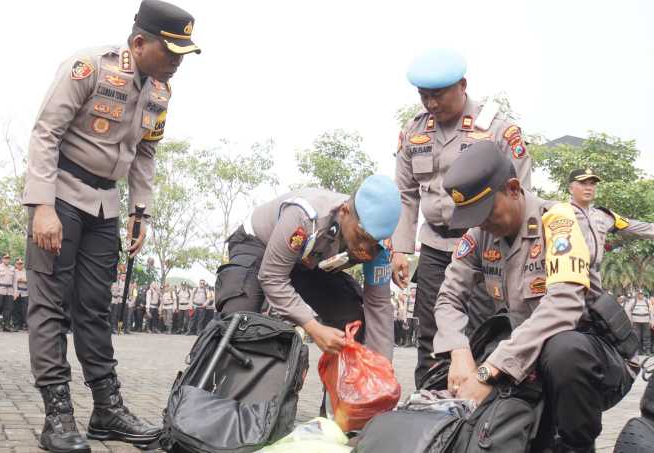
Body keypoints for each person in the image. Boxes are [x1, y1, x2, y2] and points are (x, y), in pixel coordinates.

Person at [21, 1, 200, 446]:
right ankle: (58, 415)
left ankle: (107, 410)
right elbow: (46, 132)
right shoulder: (89, 68)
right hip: (61, 196)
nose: (177, 62)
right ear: (139, 43)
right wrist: (41, 205)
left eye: (183, 54)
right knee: (50, 304)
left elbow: (145, 152)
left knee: (95, 308)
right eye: (171, 51)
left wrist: (140, 212)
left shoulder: (160, 92)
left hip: (105, 207)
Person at [434, 141, 635, 452]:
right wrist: (459, 353)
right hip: (525, 355)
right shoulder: (479, 236)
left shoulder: (560, 221)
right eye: (473, 215)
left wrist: (488, 371)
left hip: (591, 358)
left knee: (563, 349)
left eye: (486, 212)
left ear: (513, 189)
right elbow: (448, 297)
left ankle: (577, 447)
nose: (481, 222)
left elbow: (563, 306)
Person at [391, 48, 533, 385]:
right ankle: (428, 398)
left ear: (463, 86)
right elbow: (406, 193)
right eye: (424, 96)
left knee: (482, 328)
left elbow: (520, 193)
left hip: (484, 244)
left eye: (438, 95)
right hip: (434, 245)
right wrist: (400, 249)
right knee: (429, 331)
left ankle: (479, 398)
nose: (431, 104)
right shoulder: (414, 131)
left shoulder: (497, 129)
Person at [216, 174, 401, 360]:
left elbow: (379, 305)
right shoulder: (305, 216)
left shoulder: (378, 248)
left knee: (351, 319)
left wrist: (382, 367)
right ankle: (209, 376)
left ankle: (349, 378)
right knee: (237, 325)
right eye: (361, 237)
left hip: (306, 262)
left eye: (373, 241)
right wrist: (312, 327)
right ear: (344, 212)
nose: (364, 248)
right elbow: (272, 276)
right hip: (258, 245)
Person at [0, 254, 17, 332]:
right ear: (2, 259)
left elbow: (14, 281)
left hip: (9, 291)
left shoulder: (12, 268)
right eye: (5, 258)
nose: (7, 260)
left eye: (8, 258)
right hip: (0, 290)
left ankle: (6, 325)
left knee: (8, 309)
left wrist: (15, 292)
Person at [630, 290, 653, 355]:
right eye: (639, 294)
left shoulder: (647, 301)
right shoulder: (633, 301)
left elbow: (651, 312)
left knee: (646, 336)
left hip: (646, 321)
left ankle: (647, 350)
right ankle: (639, 350)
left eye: (642, 294)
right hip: (636, 321)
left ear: (643, 294)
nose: (641, 295)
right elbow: (629, 310)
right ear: (637, 294)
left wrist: (651, 321)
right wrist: (630, 320)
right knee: (637, 336)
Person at [13, 258, 29, 331]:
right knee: (16, 309)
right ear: (16, 264)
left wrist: (24, 280)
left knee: (25, 309)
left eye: (21, 264)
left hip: (25, 293)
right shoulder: (14, 272)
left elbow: (30, 280)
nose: (20, 265)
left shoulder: (26, 272)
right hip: (16, 292)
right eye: (18, 264)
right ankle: (17, 325)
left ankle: (26, 324)